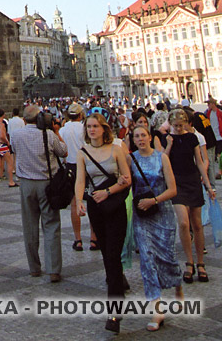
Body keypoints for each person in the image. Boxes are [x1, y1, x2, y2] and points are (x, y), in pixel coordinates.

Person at [76, 112, 131, 334]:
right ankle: (116, 287)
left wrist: (107, 192)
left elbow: (126, 179)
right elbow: (81, 179)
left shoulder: (116, 150)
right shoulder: (83, 153)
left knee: (112, 255)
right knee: (107, 255)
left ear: (103, 128)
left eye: (95, 126)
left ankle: (114, 313)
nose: (91, 130)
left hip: (114, 206)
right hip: (95, 208)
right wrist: (79, 200)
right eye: (88, 126)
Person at [128, 124, 183, 331]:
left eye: (143, 135)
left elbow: (173, 189)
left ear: (150, 137)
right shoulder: (131, 159)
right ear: (133, 140)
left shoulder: (162, 158)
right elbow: (127, 184)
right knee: (147, 260)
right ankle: (156, 309)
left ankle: (177, 284)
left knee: (167, 257)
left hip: (163, 213)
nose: (140, 139)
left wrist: (154, 201)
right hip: (142, 216)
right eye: (137, 136)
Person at [10, 105, 68, 283]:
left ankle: (34, 268)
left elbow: (14, 151)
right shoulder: (48, 135)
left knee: (30, 226)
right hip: (47, 184)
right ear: (40, 118)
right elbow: (63, 152)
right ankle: (53, 270)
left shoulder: (16, 135)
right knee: (51, 225)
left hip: (26, 184)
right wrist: (55, 131)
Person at [165, 108, 216, 284]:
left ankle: (200, 263)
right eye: (176, 125)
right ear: (171, 124)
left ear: (186, 123)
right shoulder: (168, 139)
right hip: (177, 183)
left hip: (192, 180)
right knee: (184, 223)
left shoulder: (192, 138)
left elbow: (199, 162)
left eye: (181, 125)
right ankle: (189, 262)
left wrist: (208, 185)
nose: (179, 128)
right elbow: (163, 161)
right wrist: (169, 144)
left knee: (197, 224)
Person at [60, 102, 96, 251]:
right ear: (81, 115)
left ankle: (78, 239)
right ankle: (94, 239)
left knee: (75, 204)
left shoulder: (63, 130)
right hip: (87, 166)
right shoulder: (84, 129)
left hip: (70, 167)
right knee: (93, 202)